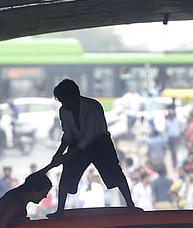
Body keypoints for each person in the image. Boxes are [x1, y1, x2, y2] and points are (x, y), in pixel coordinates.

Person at [48, 79, 136, 213]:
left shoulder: (92, 107)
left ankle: (130, 205)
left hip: (100, 143)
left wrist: (68, 156)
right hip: (77, 142)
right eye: (62, 102)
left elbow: (89, 137)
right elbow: (68, 135)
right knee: (67, 175)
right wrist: (59, 154)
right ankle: (60, 210)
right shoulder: (64, 111)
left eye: (66, 101)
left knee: (115, 172)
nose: (64, 105)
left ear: (75, 96)